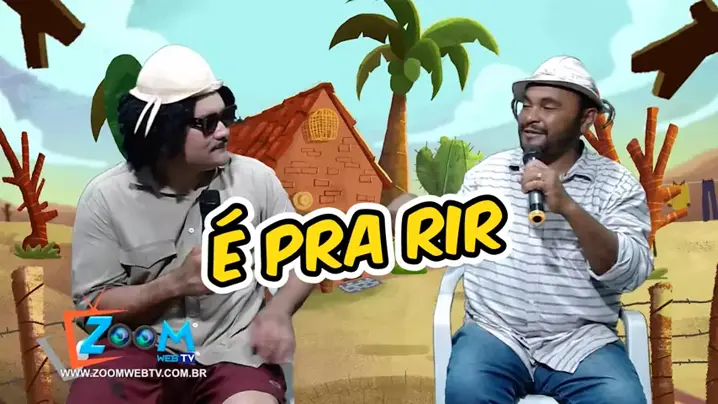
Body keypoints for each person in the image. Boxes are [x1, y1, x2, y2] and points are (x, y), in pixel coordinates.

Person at [68, 44, 314, 404]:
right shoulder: (105, 197)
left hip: (234, 353)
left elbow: (302, 263)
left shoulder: (257, 180)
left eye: (225, 117)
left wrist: (278, 311)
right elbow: (92, 310)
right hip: (137, 350)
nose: (224, 132)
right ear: (162, 131)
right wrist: (173, 285)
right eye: (206, 123)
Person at [444, 56, 652, 403]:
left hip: (581, 341)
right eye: (526, 105)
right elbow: (450, 235)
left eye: (548, 107)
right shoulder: (485, 176)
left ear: (586, 118)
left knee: (621, 398)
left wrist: (569, 207)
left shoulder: (617, 184)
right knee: (467, 389)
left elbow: (630, 274)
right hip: (495, 334)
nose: (531, 116)